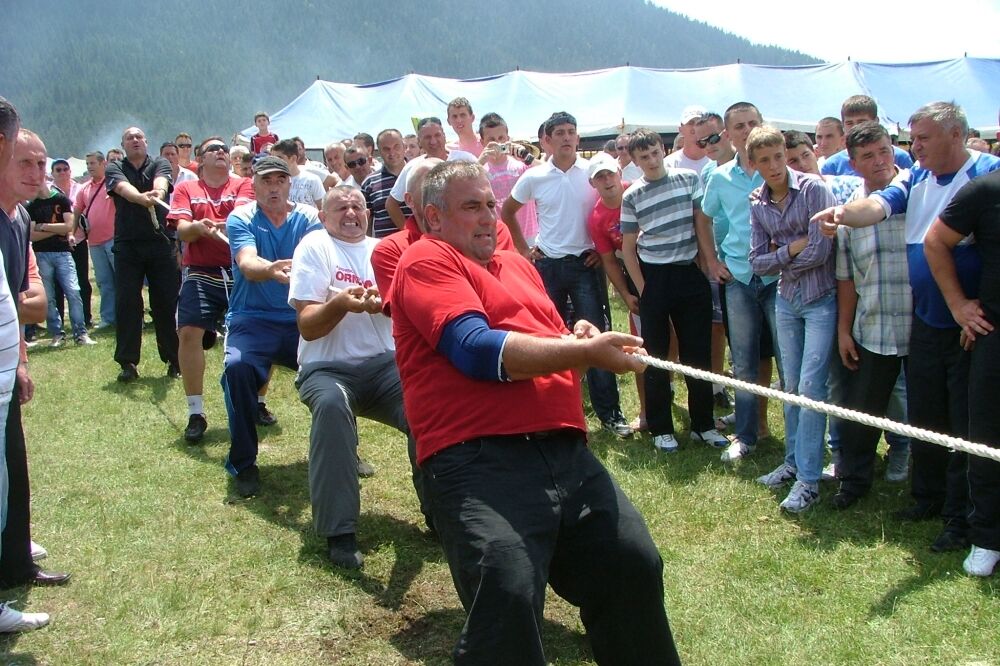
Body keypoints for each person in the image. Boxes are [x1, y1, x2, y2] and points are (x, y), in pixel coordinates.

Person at [390, 160, 681, 665]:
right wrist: (581, 351)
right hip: (475, 459)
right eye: (471, 207)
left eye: (490, 204)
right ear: (433, 217)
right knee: (508, 588)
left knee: (631, 563)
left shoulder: (519, 266)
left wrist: (576, 339)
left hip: (564, 449)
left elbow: (552, 348)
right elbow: (476, 350)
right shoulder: (426, 259)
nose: (489, 216)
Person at [813, 101, 1000, 550]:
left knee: (964, 424)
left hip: (970, 325)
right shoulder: (915, 176)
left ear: (955, 135)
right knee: (926, 416)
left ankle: (961, 517)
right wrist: (841, 215)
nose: (913, 148)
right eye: (911, 139)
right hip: (926, 321)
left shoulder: (987, 173)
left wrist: (964, 306)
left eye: (922, 138)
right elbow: (877, 206)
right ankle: (927, 497)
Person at [289, 185, 427, 568]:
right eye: (340, 207)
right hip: (325, 367)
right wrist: (340, 304)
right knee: (332, 407)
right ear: (323, 216)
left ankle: (443, 514)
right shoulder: (314, 247)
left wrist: (387, 305)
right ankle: (340, 532)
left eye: (357, 207)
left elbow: (412, 310)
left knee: (428, 407)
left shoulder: (384, 251)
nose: (351, 213)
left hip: (385, 366)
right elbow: (308, 326)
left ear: (368, 213)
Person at [502, 111, 632, 437]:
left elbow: (609, 209)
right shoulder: (535, 176)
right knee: (548, 339)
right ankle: (551, 412)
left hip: (586, 265)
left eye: (571, 132)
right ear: (547, 140)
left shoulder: (592, 173)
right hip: (548, 265)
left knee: (597, 337)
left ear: (577, 137)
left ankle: (610, 414)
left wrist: (602, 250)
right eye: (559, 132)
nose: (566, 137)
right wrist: (523, 248)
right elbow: (508, 210)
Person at [747, 125, 837, 513]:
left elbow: (821, 250)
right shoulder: (757, 201)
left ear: (786, 154)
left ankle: (809, 481)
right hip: (787, 300)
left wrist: (782, 255)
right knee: (790, 385)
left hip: (820, 299)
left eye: (778, 156)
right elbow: (756, 261)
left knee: (812, 387)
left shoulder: (814, 190)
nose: (774, 166)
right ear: (754, 164)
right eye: (764, 160)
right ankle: (793, 463)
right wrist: (793, 248)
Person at [621, 129, 727, 452]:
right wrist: (644, 289)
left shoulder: (688, 180)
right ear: (635, 161)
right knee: (655, 355)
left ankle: (703, 425)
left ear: (663, 149)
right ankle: (661, 428)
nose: (652, 161)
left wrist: (707, 263)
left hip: (688, 273)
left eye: (655, 153)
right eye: (644, 157)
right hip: (655, 278)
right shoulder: (632, 195)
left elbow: (701, 224)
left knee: (697, 352)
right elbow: (627, 248)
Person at [221, 156, 321, 497]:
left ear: (290, 183)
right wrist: (271, 270)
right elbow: (247, 263)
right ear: (254, 184)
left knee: (336, 368)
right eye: (267, 180)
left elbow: (318, 260)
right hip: (251, 319)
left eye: (280, 179)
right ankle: (243, 463)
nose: (274, 187)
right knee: (237, 369)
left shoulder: (308, 218)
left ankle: (344, 452)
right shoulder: (241, 217)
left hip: (299, 317)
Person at [828, 122, 913, 508]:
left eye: (884, 152)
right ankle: (854, 482)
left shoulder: (916, 190)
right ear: (853, 163)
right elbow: (846, 276)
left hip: (923, 322)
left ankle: (931, 490)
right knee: (862, 412)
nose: (879, 161)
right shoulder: (847, 209)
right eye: (868, 156)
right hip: (874, 325)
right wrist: (844, 330)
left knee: (932, 413)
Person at [0, 107, 60, 632]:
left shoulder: (18, 219)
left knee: (13, 465)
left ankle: (16, 555)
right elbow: (25, 301)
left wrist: (20, 360)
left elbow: (26, 303)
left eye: (41, 163)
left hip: (5, 365)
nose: (36, 172)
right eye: (25, 161)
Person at [925, 169, 1000, 576]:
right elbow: (936, 240)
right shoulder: (986, 189)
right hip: (993, 333)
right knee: (986, 437)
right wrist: (958, 306)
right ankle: (987, 537)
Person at [699, 102, 781, 462]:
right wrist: (712, 261)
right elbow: (703, 218)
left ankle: (797, 442)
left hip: (779, 277)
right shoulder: (719, 177)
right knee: (744, 360)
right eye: (739, 126)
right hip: (738, 277)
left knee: (788, 361)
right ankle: (746, 435)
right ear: (728, 134)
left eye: (752, 123)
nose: (747, 130)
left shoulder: (777, 170)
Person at [166, 137, 255, 443]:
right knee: (189, 332)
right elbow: (182, 231)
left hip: (240, 268)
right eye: (212, 149)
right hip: (200, 271)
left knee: (257, 330)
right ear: (200, 159)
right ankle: (196, 412)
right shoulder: (185, 189)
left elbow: (239, 222)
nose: (220, 152)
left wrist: (205, 225)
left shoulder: (244, 185)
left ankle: (257, 402)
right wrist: (195, 227)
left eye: (223, 149)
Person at [105, 126, 180, 382]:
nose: (135, 140)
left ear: (146, 142)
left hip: (161, 243)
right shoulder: (114, 167)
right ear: (123, 145)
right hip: (128, 245)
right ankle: (128, 363)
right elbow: (122, 189)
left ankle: (175, 359)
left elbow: (162, 181)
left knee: (166, 302)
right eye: (130, 138)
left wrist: (158, 193)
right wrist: (140, 198)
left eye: (139, 137)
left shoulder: (160, 163)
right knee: (127, 302)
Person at [585, 155, 648, 430]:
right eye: (600, 177)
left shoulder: (638, 190)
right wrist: (625, 293)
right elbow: (609, 261)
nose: (607, 180)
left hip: (663, 266)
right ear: (593, 183)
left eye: (610, 174)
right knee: (643, 343)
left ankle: (667, 385)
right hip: (633, 276)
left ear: (619, 172)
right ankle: (645, 411)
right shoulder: (597, 217)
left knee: (674, 337)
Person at [27, 183, 94, 346]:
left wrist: (43, 227)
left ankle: (81, 333)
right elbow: (32, 235)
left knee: (73, 291)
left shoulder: (61, 199)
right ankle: (57, 333)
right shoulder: (32, 206)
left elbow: (69, 226)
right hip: (41, 254)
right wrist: (57, 230)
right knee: (48, 296)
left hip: (63, 253)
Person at [385, 117, 477, 230]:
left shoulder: (466, 160)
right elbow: (391, 204)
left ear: (444, 136)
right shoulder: (412, 167)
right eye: (427, 137)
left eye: (437, 135)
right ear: (419, 141)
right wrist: (409, 232)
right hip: (430, 235)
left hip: (465, 230)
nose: (433, 141)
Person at [476, 112, 538, 246]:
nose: (498, 144)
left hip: (529, 235)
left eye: (501, 138)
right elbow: (462, 187)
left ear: (508, 139)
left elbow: (549, 172)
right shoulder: (479, 171)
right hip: (500, 238)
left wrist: (526, 156)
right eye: (492, 140)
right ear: (482, 142)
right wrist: (479, 162)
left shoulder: (522, 165)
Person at [73, 151, 116, 329]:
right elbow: (77, 211)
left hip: (114, 239)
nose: (89, 167)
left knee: (123, 279)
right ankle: (108, 318)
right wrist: (72, 233)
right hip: (94, 242)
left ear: (103, 163)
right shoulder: (84, 188)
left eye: (92, 163)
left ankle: (131, 315)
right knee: (104, 282)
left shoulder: (113, 183)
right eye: (87, 164)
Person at [821, 95, 913, 176]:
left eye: (861, 122)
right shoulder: (832, 166)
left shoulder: (900, 158)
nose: (855, 127)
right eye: (849, 123)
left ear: (876, 122)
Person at [360, 129, 410, 238]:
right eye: (386, 149)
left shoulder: (418, 174)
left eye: (396, 147)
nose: (392, 153)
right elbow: (367, 220)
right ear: (379, 152)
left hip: (417, 243)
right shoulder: (369, 182)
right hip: (385, 245)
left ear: (404, 147)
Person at [270, 139, 324, 209]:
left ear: (293, 158)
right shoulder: (272, 183)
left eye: (279, 158)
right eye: (273, 159)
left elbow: (323, 209)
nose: (275, 162)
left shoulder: (312, 180)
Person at [663, 105, 711, 174]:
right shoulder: (668, 165)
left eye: (700, 123)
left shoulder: (718, 161)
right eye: (691, 123)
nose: (695, 127)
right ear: (681, 129)